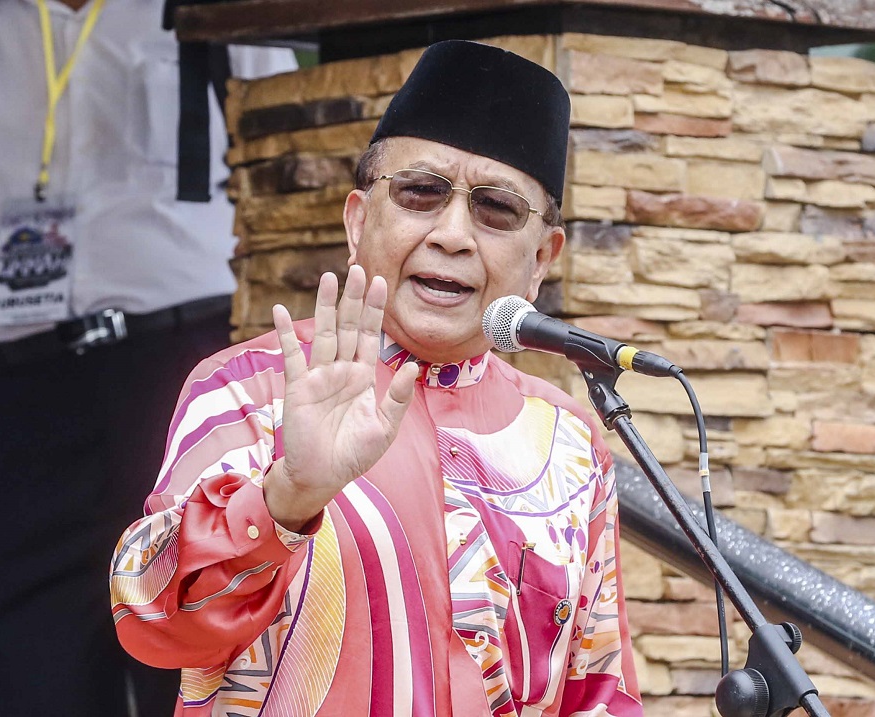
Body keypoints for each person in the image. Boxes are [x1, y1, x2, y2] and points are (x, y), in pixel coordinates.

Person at [111, 40, 643, 716]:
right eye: (421, 193)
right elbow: (151, 618)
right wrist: (286, 498)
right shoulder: (244, 391)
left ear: (541, 258)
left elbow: (598, 694)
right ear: (359, 219)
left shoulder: (570, 443)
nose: (452, 233)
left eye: (496, 209)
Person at [0, 1, 296, 715]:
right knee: (20, 662)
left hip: (187, 381)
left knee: (208, 669)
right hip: (16, 403)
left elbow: (281, 148)